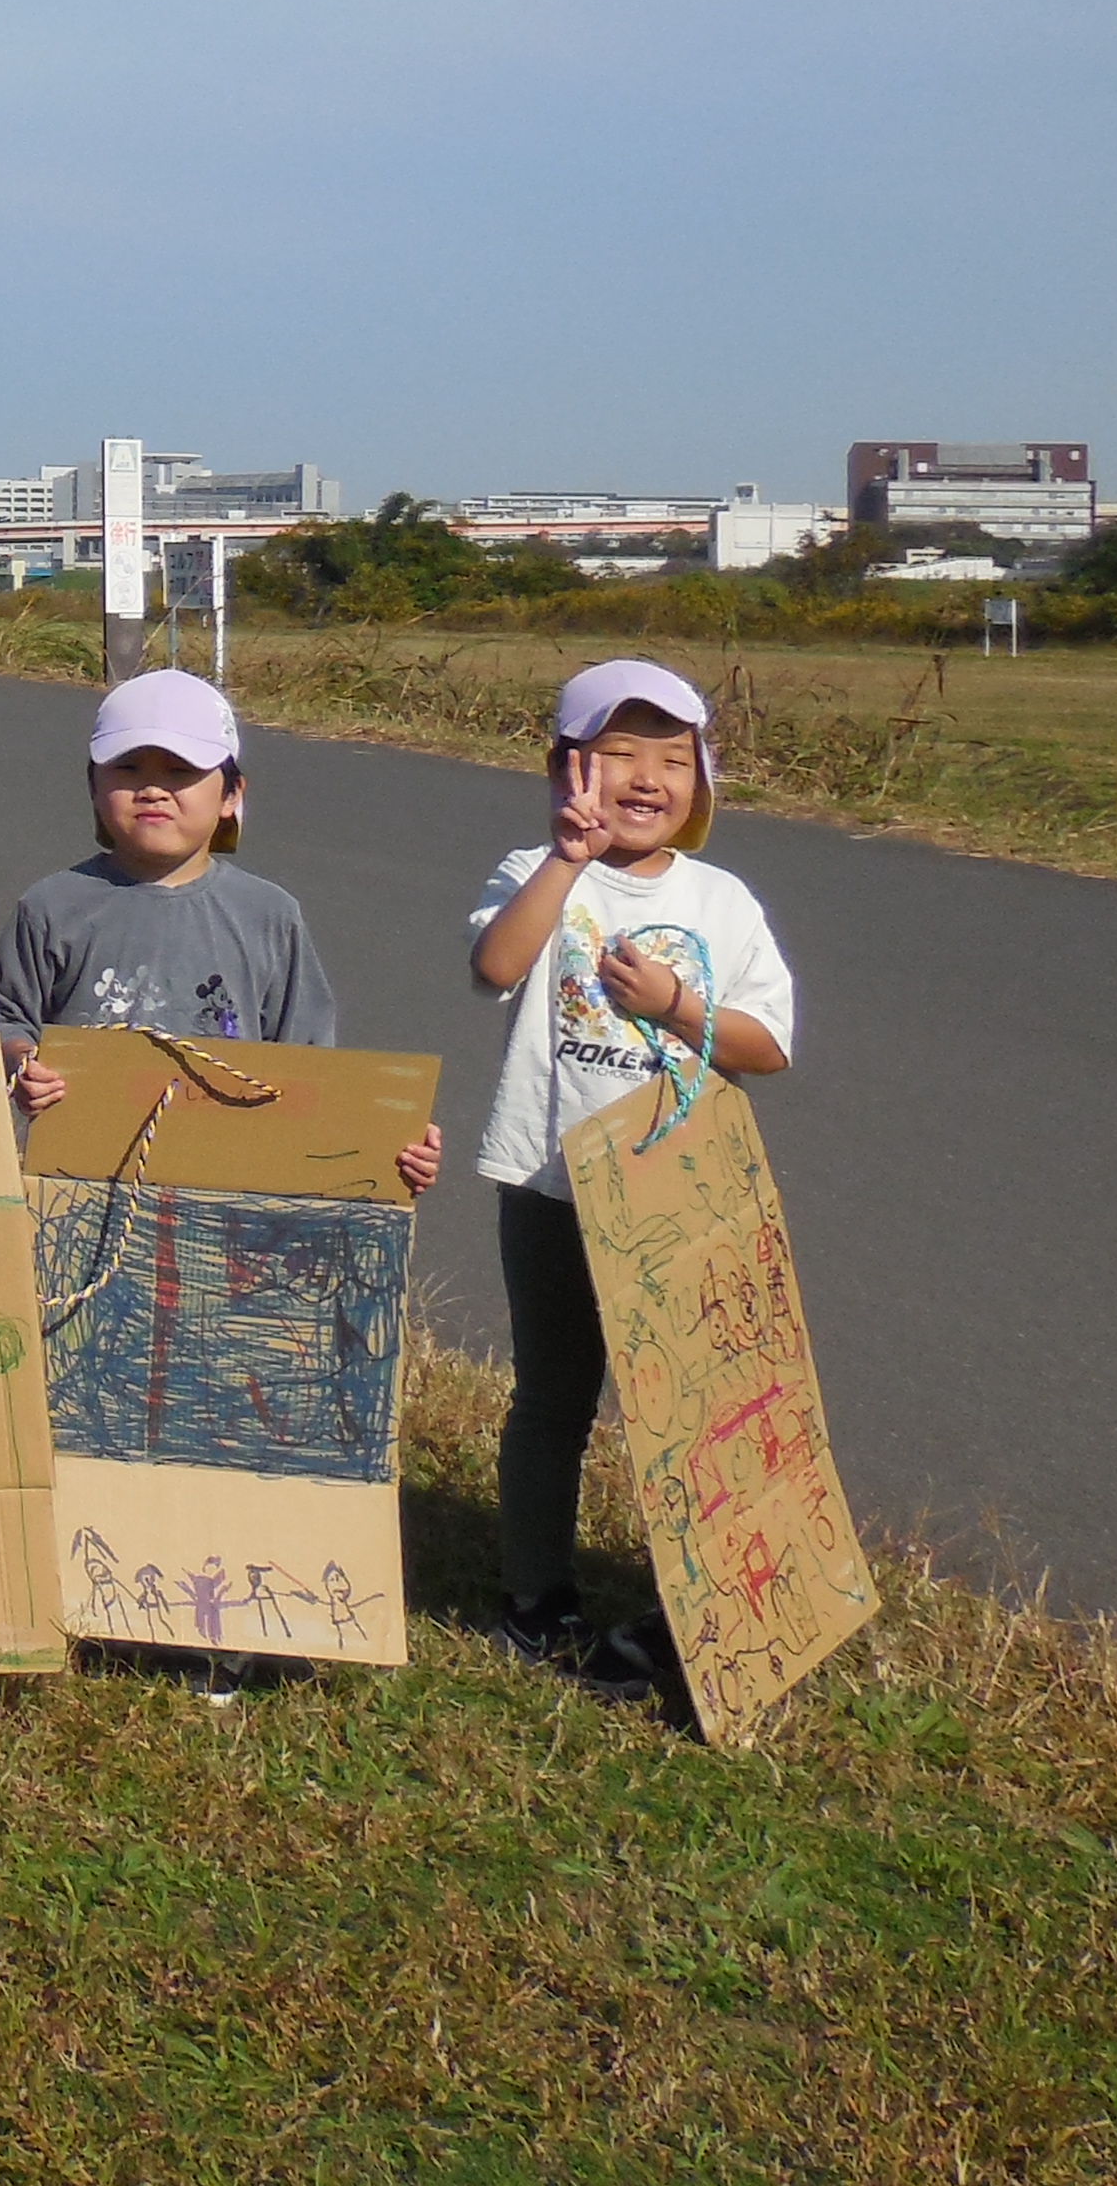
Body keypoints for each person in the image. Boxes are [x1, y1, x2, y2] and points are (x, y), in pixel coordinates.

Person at [466, 659, 797, 1700]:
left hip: (679, 1194)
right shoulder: (537, 871)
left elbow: (769, 1043)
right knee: (553, 1399)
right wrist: (567, 862)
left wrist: (675, 1007)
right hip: (551, 1182)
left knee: (692, 1410)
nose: (646, 778)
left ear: (705, 777)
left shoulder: (723, 901)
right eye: (616, 755)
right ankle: (534, 1599)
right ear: (568, 768)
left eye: (672, 757)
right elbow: (496, 966)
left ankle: (684, 1610)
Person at [0, 672, 443, 1195]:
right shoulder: (52, 905)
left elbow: (310, 1062)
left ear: (231, 794)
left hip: (231, 1180)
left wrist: (389, 1140)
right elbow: (2, 1019)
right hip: (82, 1176)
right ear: (93, 785)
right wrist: (24, 1064)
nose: (152, 788)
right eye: (127, 768)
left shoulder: (268, 914)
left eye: (181, 771)